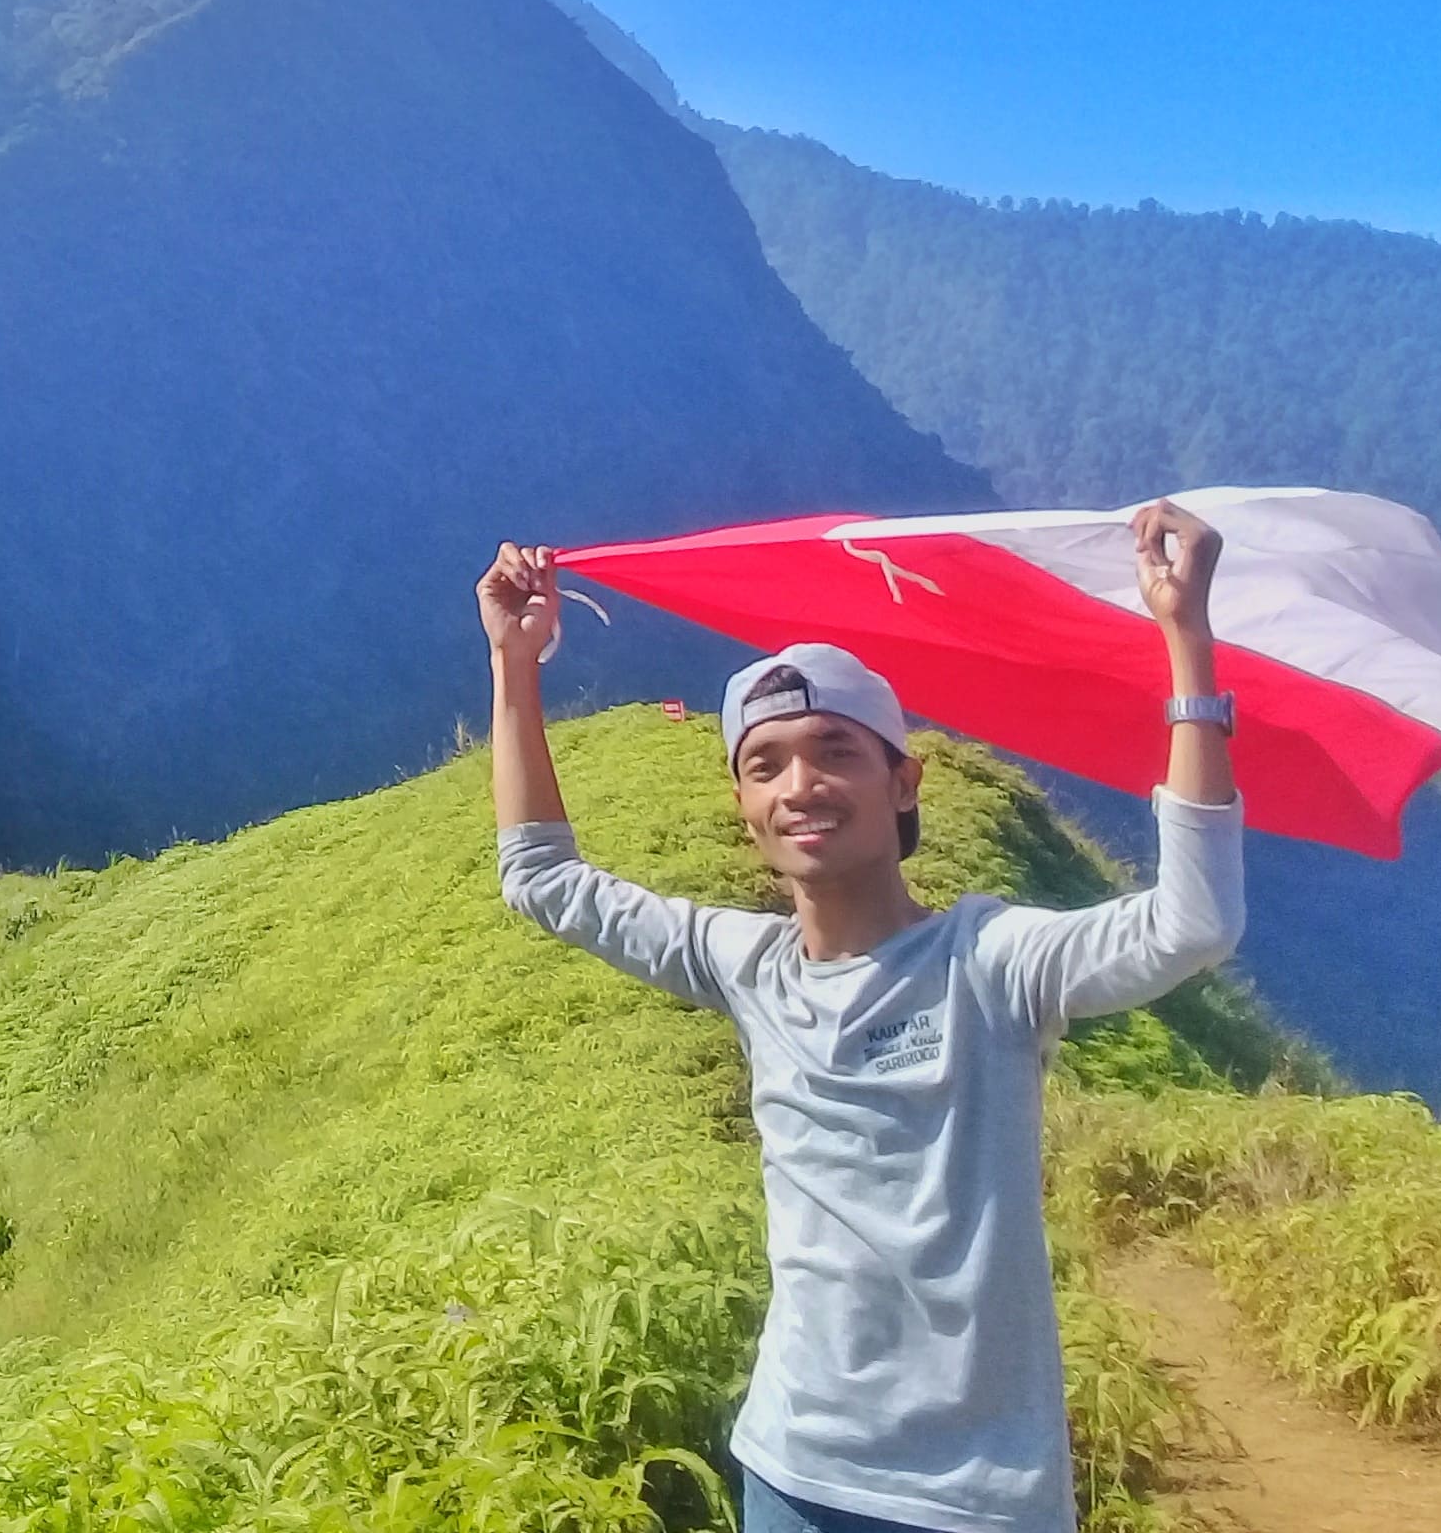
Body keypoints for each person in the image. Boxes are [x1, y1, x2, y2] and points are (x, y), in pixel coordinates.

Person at [482, 500, 1244, 1533]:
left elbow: (1191, 924)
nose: (801, 784)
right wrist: (515, 664)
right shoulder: (748, 966)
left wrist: (1186, 647)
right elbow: (543, 881)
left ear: (902, 781)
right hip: (798, 1473)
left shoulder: (991, 962)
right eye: (767, 763)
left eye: (835, 751)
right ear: (746, 812)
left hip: (980, 1497)